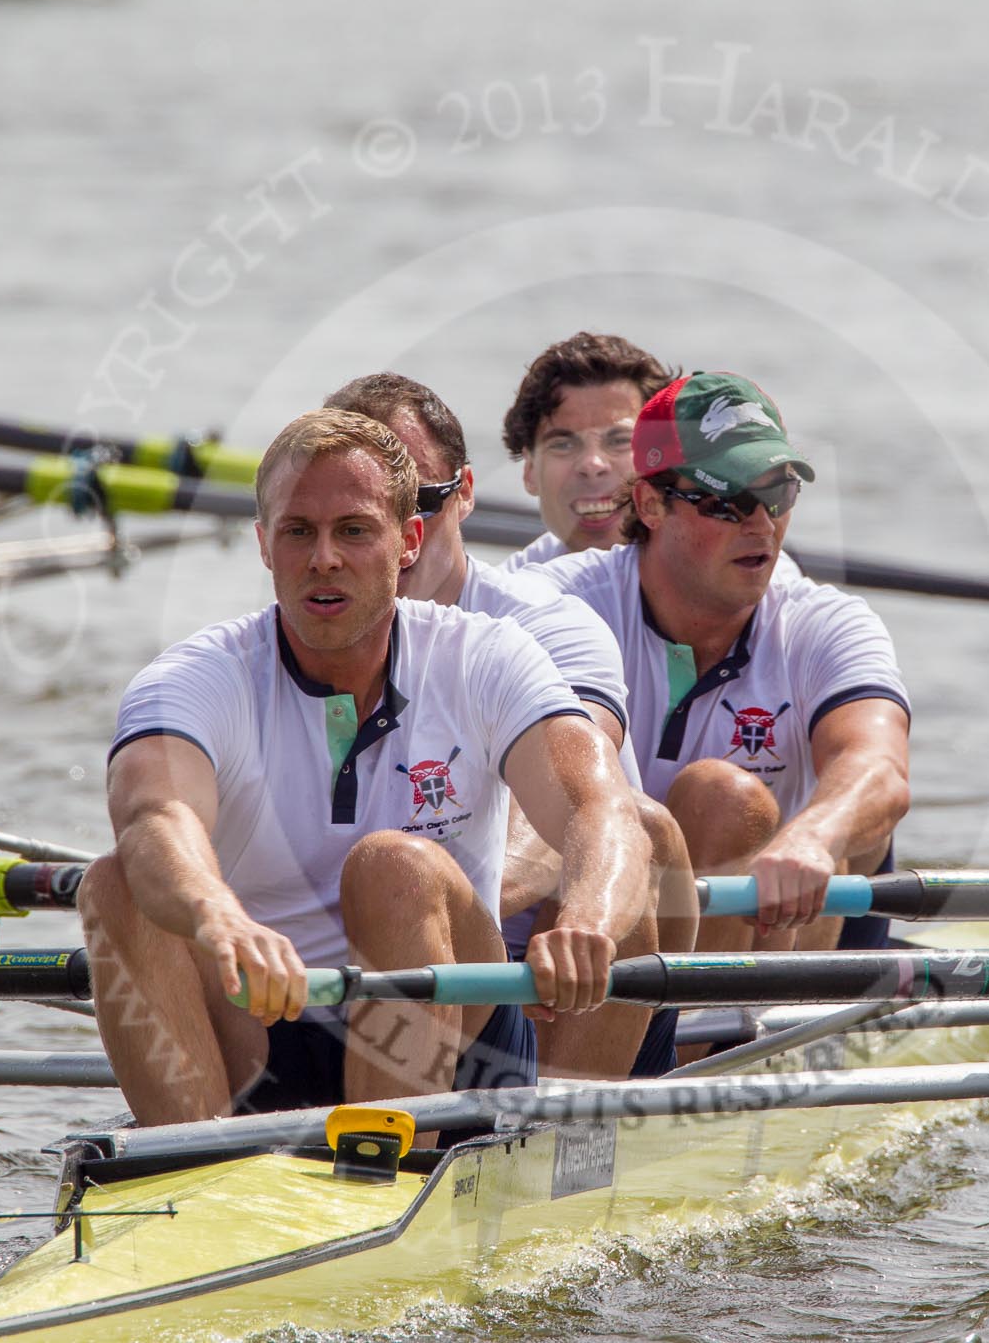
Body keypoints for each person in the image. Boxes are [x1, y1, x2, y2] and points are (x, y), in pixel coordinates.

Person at [82, 409, 654, 1132]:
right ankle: (187, 1169)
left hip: (451, 1026)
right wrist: (218, 916)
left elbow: (602, 811)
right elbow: (154, 816)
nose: (324, 557)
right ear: (264, 544)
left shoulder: (484, 655)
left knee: (394, 867)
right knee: (119, 883)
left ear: (408, 540)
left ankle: (381, 1167)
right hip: (263, 1025)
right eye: (299, 532)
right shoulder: (197, 677)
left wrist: (587, 923)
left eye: (353, 530)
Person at [323, 371, 697, 1080]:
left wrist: (430, 902)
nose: (395, 546)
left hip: (548, 972)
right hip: (388, 966)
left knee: (637, 829)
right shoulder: (289, 640)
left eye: (420, 506)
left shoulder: (549, 625)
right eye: (356, 520)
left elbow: (570, 803)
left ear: (464, 492)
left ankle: (545, 1142)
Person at [538, 372, 910, 957]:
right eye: (729, 502)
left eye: (778, 494)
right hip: (604, 929)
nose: (761, 524)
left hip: (774, 947)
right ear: (650, 503)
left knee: (726, 797)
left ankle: (712, 1037)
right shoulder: (558, 605)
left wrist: (813, 837)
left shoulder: (827, 624)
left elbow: (880, 767)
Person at [498, 331, 673, 571]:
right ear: (529, 470)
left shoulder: (727, 586)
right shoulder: (499, 599)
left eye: (620, 440)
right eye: (563, 445)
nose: (592, 464)